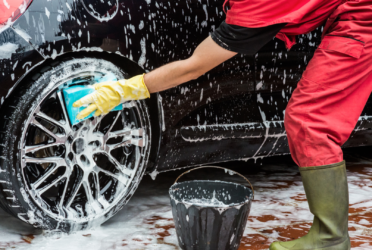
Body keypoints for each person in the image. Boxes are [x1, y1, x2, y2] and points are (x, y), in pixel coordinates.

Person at [74, 0, 372, 249]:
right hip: (347, 13)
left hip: (363, 17)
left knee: (310, 120)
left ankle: (330, 239)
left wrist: (126, 89)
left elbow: (194, 67)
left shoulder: (258, 6)